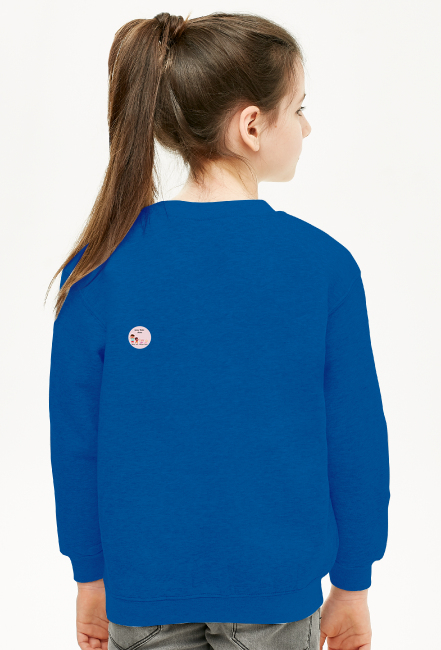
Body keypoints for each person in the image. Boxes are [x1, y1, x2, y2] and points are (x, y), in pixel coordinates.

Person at [46, 11, 390, 650]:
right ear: (252, 125)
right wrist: (353, 583)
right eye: (299, 109)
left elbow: (75, 442)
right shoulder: (323, 266)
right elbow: (356, 440)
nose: (307, 126)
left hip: (140, 593)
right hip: (276, 594)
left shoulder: (96, 267)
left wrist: (88, 577)